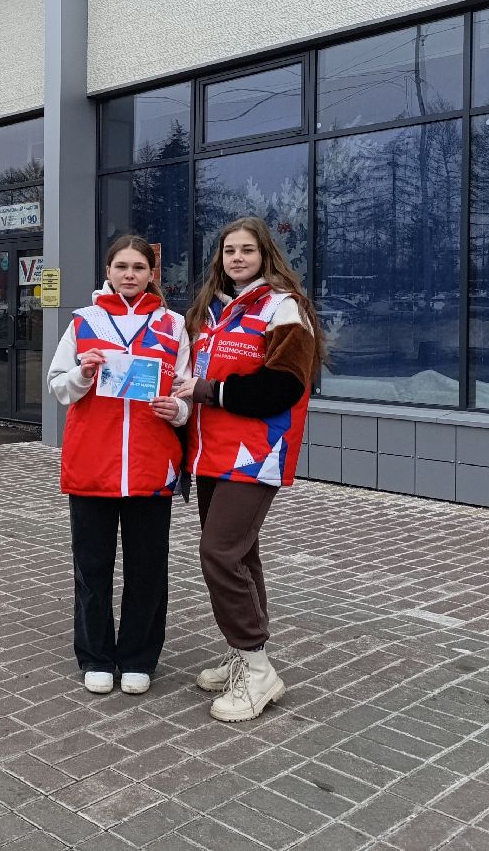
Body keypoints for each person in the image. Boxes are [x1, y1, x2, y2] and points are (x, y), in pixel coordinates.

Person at [172, 216, 327, 723]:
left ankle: (258, 671)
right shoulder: (213, 314)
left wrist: (207, 392)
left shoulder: (283, 308)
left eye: (247, 250)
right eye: (228, 251)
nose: (236, 258)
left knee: (217, 553)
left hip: (254, 453)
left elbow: (283, 386)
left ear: (266, 255)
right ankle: (245, 653)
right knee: (241, 556)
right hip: (210, 453)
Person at [47, 235, 190, 696]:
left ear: (152, 273)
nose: (129, 274)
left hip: (151, 465)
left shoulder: (173, 324)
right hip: (93, 464)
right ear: (108, 270)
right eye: (121, 266)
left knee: (148, 570)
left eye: (138, 267)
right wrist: (82, 375)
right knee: (92, 568)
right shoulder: (84, 322)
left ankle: (138, 656)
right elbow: (57, 386)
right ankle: (95, 655)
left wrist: (181, 413)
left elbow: (185, 394)